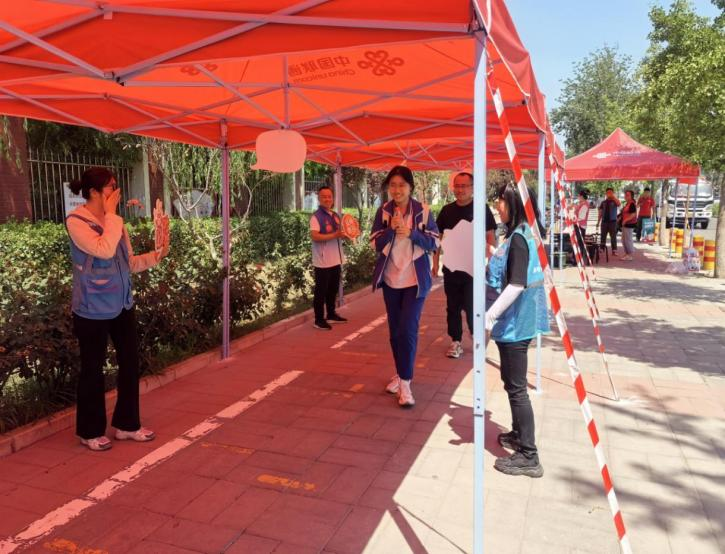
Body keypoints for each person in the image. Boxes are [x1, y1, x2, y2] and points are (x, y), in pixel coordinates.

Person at [66, 167, 168, 452]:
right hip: (91, 308)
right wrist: (111, 216)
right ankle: (89, 431)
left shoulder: (115, 222)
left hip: (122, 303)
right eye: (111, 186)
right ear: (94, 192)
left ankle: (127, 424)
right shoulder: (76, 221)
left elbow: (128, 262)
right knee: (92, 369)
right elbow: (104, 250)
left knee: (130, 363)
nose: (116, 191)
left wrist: (157, 255)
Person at [486, 183, 549, 478]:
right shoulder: (520, 234)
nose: (498, 206)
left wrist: (490, 315)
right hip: (516, 321)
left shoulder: (520, 238)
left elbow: (516, 284)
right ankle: (518, 434)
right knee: (511, 382)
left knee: (517, 389)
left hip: (515, 323)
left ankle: (529, 455)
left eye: (501, 200)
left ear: (514, 203)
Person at [371, 166, 439, 407]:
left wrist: (411, 233)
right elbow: (375, 243)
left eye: (401, 185)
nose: (397, 190)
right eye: (393, 185)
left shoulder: (423, 211)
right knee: (395, 331)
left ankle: (406, 384)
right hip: (391, 280)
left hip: (415, 281)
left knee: (408, 329)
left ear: (410, 187)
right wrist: (391, 230)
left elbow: (434, 242)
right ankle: (400, 373)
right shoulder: (383, 211)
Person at [433, 172, 496, 359]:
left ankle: (477, 337)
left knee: (472, 305)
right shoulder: (446, 211)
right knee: (452, 307)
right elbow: (437, 239)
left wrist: (489, 262)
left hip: (473, 269)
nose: (460, 190)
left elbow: (490, 236)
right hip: (451, 269)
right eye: (457, 186)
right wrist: (435, 264)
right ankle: (456, 341)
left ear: (472, 188)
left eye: (464, 186)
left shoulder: (481, 209)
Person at [309, 185, 348, 330]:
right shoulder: (316, 217)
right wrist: (334, 235)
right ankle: (319, 320)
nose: (327, 199)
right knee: (321, 291)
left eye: (329, 196)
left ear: (333, 198)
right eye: (324, 197)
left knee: (332, 289)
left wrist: (347, 234)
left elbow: (339, 233)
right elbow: (315, 236)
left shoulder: (335, 215)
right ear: (319, 199)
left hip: (336, 259)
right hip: (323, 261)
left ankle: (331, 314)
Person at [597, 187, 620, 256]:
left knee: (613, 236)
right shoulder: (603, 202)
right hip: (604, 222)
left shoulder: (615, 201)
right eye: (608, 192)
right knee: (603, 236)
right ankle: (602, 248)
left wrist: (613, 197)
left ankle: (614, 250)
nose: (609, 194)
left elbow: (619, 204)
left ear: (613, 193)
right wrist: (598, 222)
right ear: (606, 193)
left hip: (613, 222)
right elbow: (600, 212)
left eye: (611, 192)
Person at [572, 189, 589, 264]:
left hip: (580, 226)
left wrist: (573, 220)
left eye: (579, 196)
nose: (578, 197)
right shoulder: (581, 204)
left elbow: (581, 217)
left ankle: (577, 260)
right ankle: (576, 259)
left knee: (578, 243)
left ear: (581, 196)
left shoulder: (584, 205)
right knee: (578, 243)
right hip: (579, 225)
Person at [621, 190, 637, 260]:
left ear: (631, 196)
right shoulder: (627, 204)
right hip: (625, 224)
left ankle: (630, 255)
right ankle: (626, 253)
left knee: (628, 240)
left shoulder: (632, 204)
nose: (626, 196)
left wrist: (625, 220)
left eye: (627, 195)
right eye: (625, 195)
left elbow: (633, 214)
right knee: (623, 240)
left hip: (629, 224)